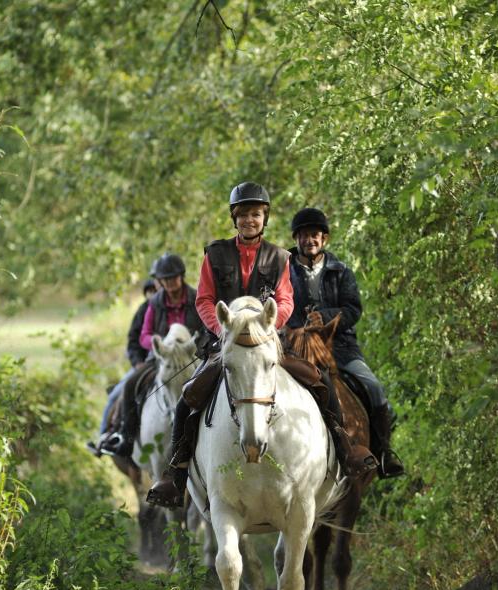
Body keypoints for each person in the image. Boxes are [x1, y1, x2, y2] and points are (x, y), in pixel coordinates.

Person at [147, 182, 376, 508]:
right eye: (243, 215)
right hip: (226, 343)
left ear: (264, 218)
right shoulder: (215, 254)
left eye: (255, 215)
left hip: (268, 342)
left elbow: (285, 300)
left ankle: (344, 450)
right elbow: (205, 299)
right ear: (235, 219)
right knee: (188, 397)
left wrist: (270, 326)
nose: (249, 220)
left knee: (321, 381)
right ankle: (176, 474)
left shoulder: (280, 256)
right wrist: (221, 328)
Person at [287, 207, 404, 479]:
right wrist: (299, 326)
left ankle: (384, 452)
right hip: (297, 347)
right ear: (296, 239)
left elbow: (353, 309)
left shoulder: (341, 271)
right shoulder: (283, 272)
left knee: (374, 389)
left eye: (315, 235)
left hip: (339, 347)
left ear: (324, 239)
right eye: (304, 235)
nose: (310, 240)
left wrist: (326, 317)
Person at [99, 252, 203, 457]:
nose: (170, 283)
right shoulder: (154, 303)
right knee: (129, 385)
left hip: (191, 357)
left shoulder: (197, 299)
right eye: (165, 279)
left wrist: (192, 345)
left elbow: (205, 329)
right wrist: (160, 345)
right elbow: (144, 335)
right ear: (160, 281)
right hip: (161, 358)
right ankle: (125, 439)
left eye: (173, 278)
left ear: (181, 277)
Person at [87, 270, 158, 456]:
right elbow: (133, 342)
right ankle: (104, 436)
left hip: (175, 363)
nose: (153, 295)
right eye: (149, 291)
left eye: (155, 290)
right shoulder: (144, 311)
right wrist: (137, 363)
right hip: (146, 365)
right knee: (117, 394)